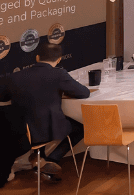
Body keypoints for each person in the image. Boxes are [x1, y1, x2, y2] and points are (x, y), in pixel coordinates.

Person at [0, 42, 89, 182]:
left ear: (37, 58)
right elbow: (83, 93)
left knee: (35, 116)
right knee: (81, 128)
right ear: (59, 59)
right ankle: (50, 159)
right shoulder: (58, 74)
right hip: (47, 130)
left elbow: (3, 96)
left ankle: (38, 157)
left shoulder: (14, 76)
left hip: (21, 131)